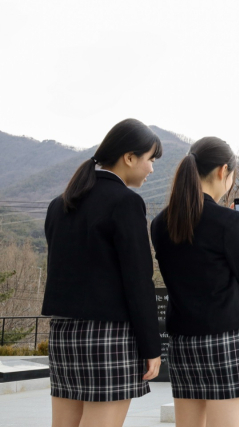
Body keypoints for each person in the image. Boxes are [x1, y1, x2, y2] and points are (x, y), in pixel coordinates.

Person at [41, 119, 163, 427]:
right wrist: (152, 347)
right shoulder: (126, 202)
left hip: (63, 334)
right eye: (150, 160)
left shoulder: (60, 204)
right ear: (129, 158)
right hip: (109, 335)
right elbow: (138, 281)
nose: (151, 169)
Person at [150, 137, 239, 427]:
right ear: (223, 171)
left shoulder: (161, 224)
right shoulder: (228, 221)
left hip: (183, 341)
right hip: (227, 338)